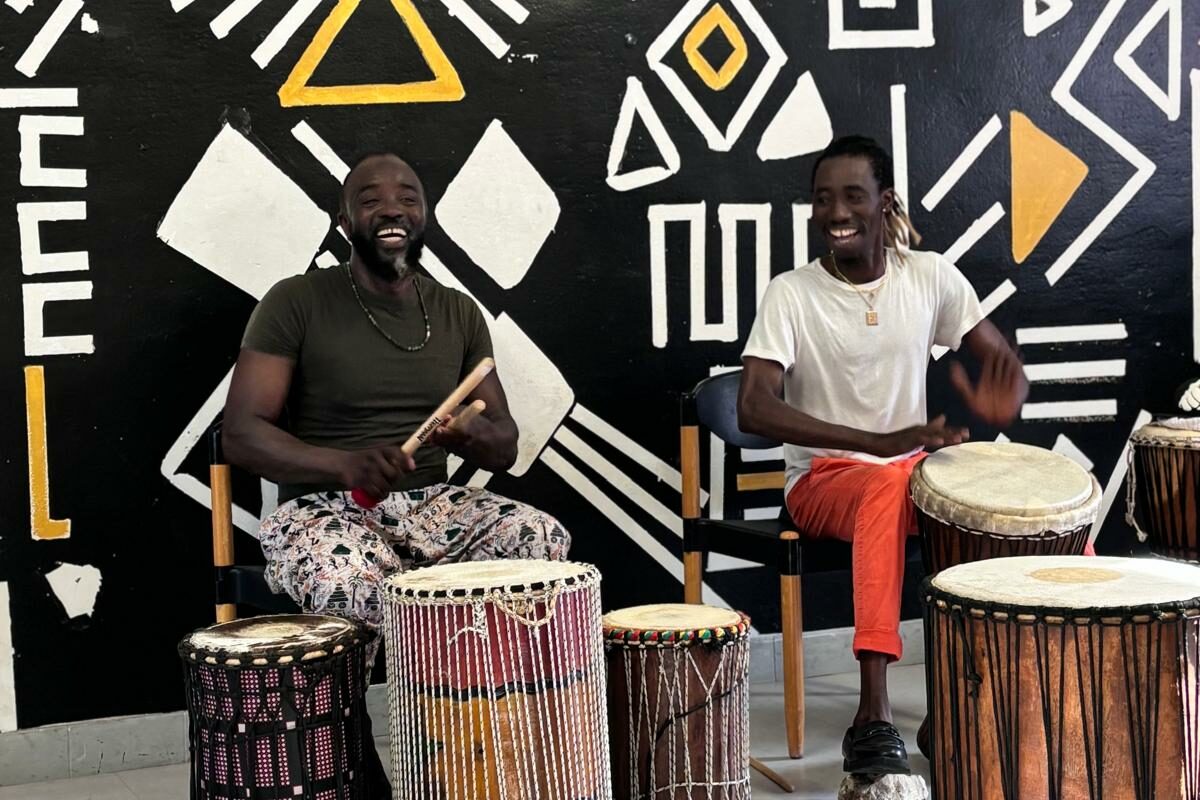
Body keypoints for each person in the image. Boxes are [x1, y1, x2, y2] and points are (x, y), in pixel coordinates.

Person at [222, 152, 570, 796]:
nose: (392, 209)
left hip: (433, 504)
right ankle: (354, 769)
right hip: (323, 508)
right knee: (358, 581)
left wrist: (469, 430)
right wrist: (343, 463)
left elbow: (504, 446)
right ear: (344, 216)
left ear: (426, 214)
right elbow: (241, 433)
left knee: (540, 542)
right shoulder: (296, 300)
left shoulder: (459, 312)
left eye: (408, 196)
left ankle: (491, 746)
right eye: (372, 197)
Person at [737, 135, 1028, 777]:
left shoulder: (929, 277)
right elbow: (753, 407)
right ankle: (873, 714)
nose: (836, 212)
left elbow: (999, 364)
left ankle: (1000, 698)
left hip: (908, 474)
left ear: (884, 202)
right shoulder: (792, 293)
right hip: (824, 479)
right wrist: (875, 445)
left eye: (852, 196)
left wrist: (1003, 394)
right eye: (822, 199)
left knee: (1010, 503)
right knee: (884, 489)